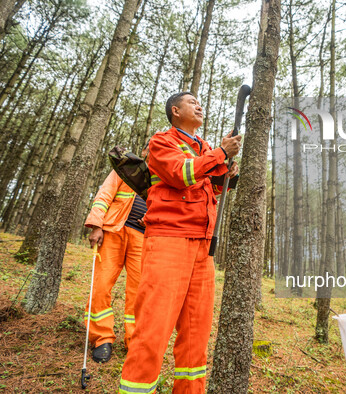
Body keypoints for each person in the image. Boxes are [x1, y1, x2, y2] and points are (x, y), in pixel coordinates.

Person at [119, 92, 240, 394]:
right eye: (192, 102)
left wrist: (227, 171)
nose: (200, 106)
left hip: (203, 247)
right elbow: (180, 174)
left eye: (201, 103)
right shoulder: (162, 142)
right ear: (175, 111)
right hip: (168, 242)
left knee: (197, 334)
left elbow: (212, 187)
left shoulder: (205, 149)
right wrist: (220, 155)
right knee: (153, 328)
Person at [84, 146, 148, 363]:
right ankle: (102, 338)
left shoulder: (163, 177)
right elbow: (104, 194)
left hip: (143, 239)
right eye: (152, 146)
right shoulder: (126, 168)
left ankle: (135, 340)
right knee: (101, 285)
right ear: (145, 150)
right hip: (113, 231)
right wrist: (96, 225)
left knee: (140, 293)